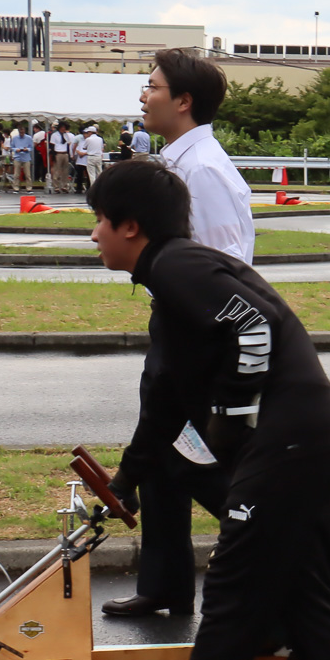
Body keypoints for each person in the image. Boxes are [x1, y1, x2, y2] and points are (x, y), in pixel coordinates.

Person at [78, 159, 330, 660]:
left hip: (290, 448)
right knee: (299, 592)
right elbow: (163, 404)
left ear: (131, 227)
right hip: (303, 446)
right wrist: (128, 479)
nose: (93, 235)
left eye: (99, 222)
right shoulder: (171, 286)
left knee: (235, 590)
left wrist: (231, 420)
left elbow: (254, 328)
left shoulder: (180, 266)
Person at [101, 49, 257, 619]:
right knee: (169, 454)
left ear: (183, 101)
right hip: (178, 321)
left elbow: (222, 266)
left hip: (201, 334)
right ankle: (165, 585)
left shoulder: (203, 171)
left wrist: (197, 344)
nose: (144, 96)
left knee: (193, 459)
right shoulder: (180, 161)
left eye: (152, 86)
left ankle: (271, 551)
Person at [10, 122, 35, 190]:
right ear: (18, 131)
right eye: (20, 131)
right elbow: (12, 147)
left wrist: (27, 149)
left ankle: (29, 187)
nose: (21, 132)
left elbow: (32, 147)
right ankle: (16, 187)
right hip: (17, 157)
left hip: (26, 157)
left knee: (27, 174)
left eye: (23, 131)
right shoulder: (15, 138)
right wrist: (16, 149)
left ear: (24, 131)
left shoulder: (29, 138)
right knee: (16, 174)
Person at [49, 121, 73, 191]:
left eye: (64, 128)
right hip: (58, 153)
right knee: (57, 170)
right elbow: (52, 145)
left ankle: (64, 186)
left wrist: (69, 154)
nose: (63, 129)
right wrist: (53, 155)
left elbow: (68, 145)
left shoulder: (66, 135)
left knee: (65, 171)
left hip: (65, 153)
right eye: (62, 127)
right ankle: (56, 186)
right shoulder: (54, 135)